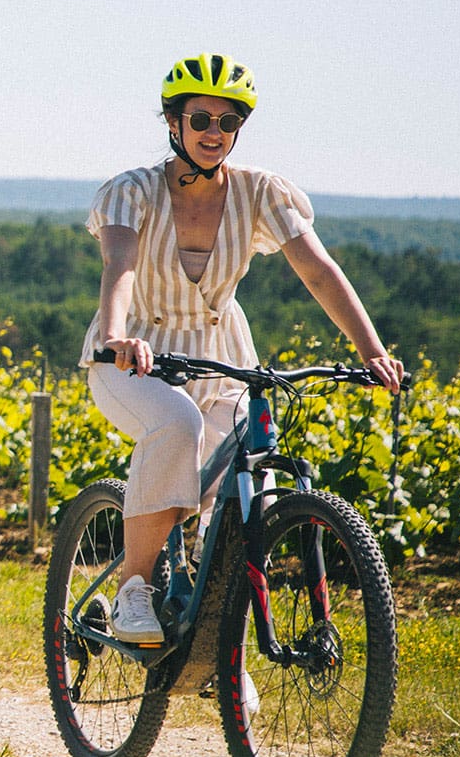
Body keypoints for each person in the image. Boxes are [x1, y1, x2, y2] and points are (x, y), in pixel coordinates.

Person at [82, 53, 404, 648]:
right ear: (173, 123)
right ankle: (133, 591)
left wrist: (372, 351)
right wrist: (115, 334)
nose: (213, 132)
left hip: (221, 354)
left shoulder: (260, 192)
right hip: (135, 354)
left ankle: (220, 644)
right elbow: (118, 266)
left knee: (248, 476)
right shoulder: (133, 192)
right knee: (176, 426)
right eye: (200, 118)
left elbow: (318, 271)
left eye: (228, 122)